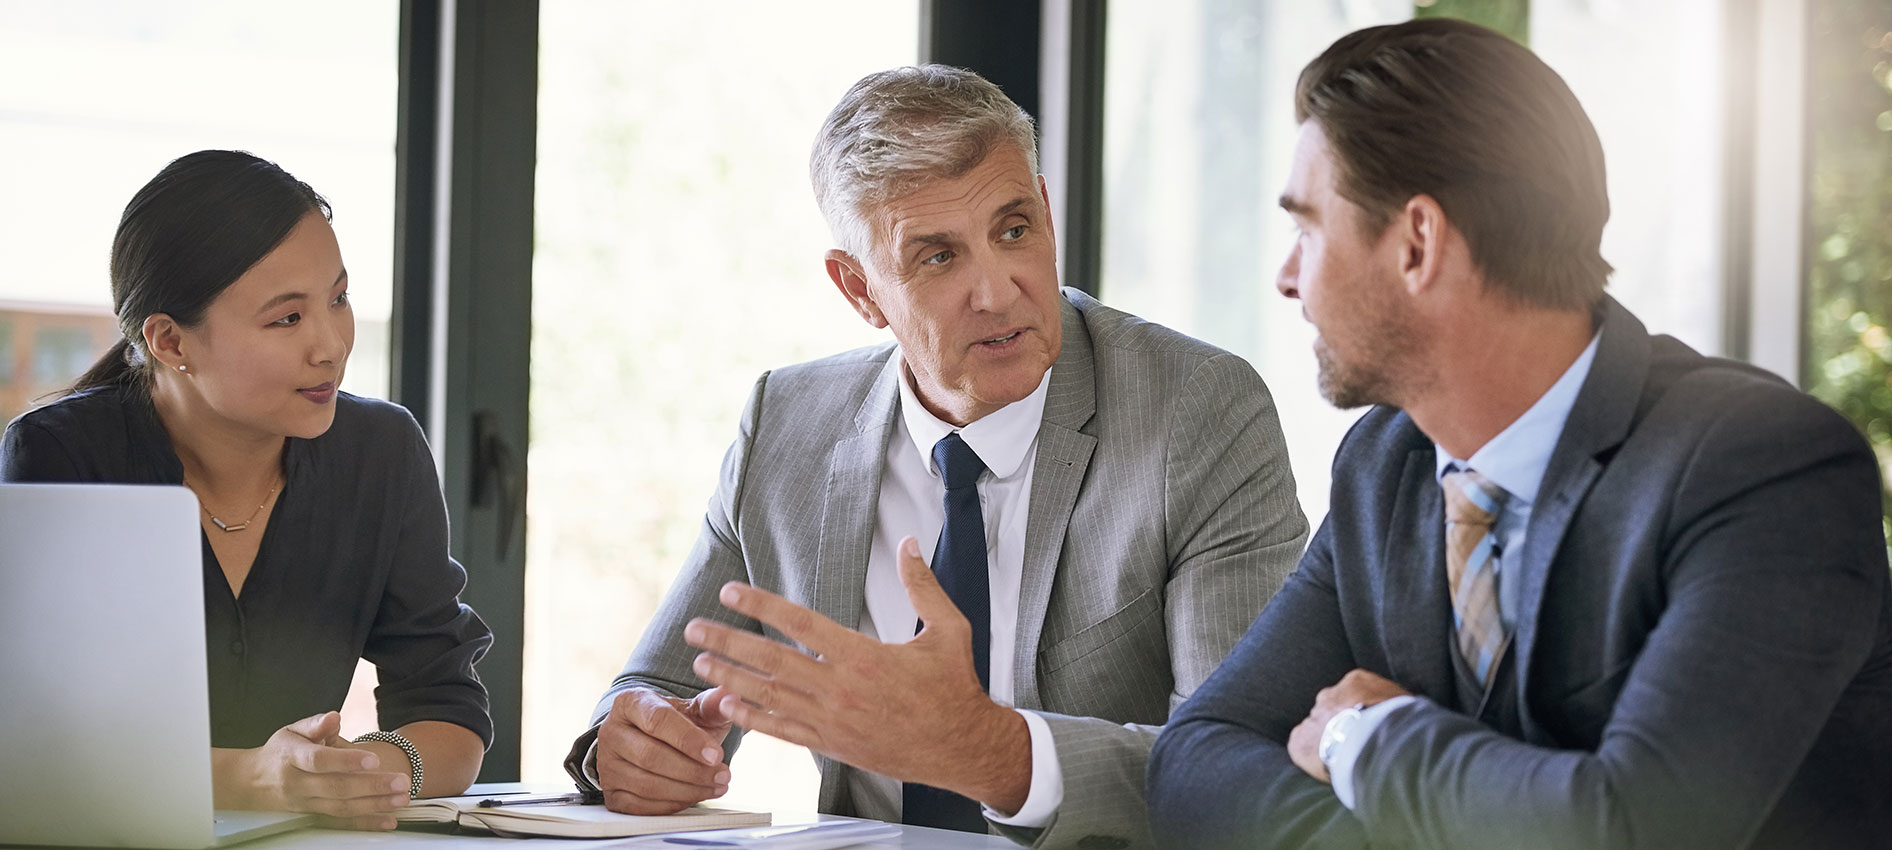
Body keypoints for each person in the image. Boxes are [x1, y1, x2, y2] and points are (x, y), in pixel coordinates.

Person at [1145, 18, 1892, 850]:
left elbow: (1638, 825)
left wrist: (1360, 739)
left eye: (1307, 229)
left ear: (1417, 244)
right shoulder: (1385, 465)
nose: (1288, 278)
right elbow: (1194, 760)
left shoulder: (1766, 469)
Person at [563, 65, 1307, 847]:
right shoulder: (785, 426)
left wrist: (990, 753)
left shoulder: (1195, 410)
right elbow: (656, 691)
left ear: (1047, 212)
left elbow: (1239, 771)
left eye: (1013, 229)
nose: (997, 290)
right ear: (859, 290)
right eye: (938, 257)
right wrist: (637, 746)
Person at [0, 150, 493, 831]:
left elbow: (448, 708)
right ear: (171, 341)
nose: (330, 345)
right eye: (286, 319)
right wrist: (258, 777)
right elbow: (38, 748)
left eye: (339, 299)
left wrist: (361, 769)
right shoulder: (60, 454)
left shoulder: (381, 452)